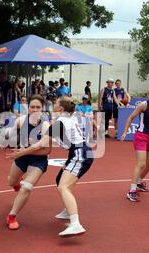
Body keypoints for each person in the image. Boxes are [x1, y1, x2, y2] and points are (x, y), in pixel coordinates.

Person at [7, 96, 94, 237]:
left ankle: (75, 224)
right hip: (78, 152)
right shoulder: (66, 119)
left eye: (56, 103)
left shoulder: (58, 123)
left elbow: (41, 145)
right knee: (60, 180)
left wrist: (21, 152)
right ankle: (68, 210)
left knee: (63, 187)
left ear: (61, 108)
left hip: (79, 153)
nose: (54, 104)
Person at [0, 95, 50, 230]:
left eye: (38, 107)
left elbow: (47, 151)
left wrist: (24, 151)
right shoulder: (20, 121)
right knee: (11, 182)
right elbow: (7, 134)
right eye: (32, 107)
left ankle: (11, 216)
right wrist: (6, 139)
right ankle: (16, 183)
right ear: (28, 108)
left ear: (42, 109)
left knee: (27, 186)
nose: (35, 109)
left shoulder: (46, 126)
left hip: (38, 160)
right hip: (21, 157)